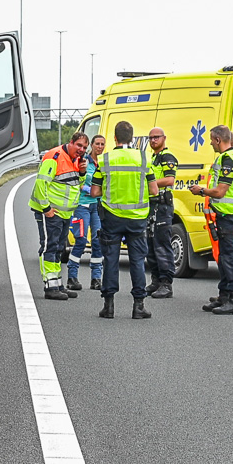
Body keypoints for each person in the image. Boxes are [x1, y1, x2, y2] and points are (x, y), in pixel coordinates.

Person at [189, 123, 233, 314]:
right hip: (226, 214)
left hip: (229, 215)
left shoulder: (230, 159)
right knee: (223, 258)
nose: (210, 144)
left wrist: (201, 191)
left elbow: (220, 191)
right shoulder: (232, 157)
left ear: (218, 139)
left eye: (211, 140)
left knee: (230, 258)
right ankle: (224, 295)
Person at [96, 121, 153, 319]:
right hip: (137, 219)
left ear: (114, 138)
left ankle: (109, 306)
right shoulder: (143, 158)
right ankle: (138, 306)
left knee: (110, 259)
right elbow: (154, 190)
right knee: (137, 261)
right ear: (133, 138)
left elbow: (95, 190)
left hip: (112, 217)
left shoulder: (105, 160)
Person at [27, 129, 88, 300]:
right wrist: (46, 209)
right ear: (71, 142)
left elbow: (76, 185)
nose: (81, 149)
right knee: (50, 246)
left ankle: (58, 284)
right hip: (50, 211)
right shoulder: (54, 156)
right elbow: (41, 184)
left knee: (60, 248)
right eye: (79, 145)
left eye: (84, 147)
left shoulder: (76, 160)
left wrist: (82, 173)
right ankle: (50, 286)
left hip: (65, 213)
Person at [144, 127, 181, 298]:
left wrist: (148, 183)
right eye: (150, 138)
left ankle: (166, 283)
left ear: (164, 138)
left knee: (162, 244)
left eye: (156, 137)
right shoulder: (153, 157)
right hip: (152, 206)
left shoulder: (167, 157)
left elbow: (169, 179)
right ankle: (156, 280)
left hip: (162, 205)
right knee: (150, 244)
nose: (153, 140)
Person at [67, 134, 106, 291]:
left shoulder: (104, 163)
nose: (100, 146)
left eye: (102, 144)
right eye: (97, 143)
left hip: (97, 206)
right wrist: (91, 190)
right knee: (81, 240)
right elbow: (78, 182)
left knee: (97, 241)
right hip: (82, 205)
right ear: (92, 145)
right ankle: (72, 277)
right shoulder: (83, 161)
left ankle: (96, 278)